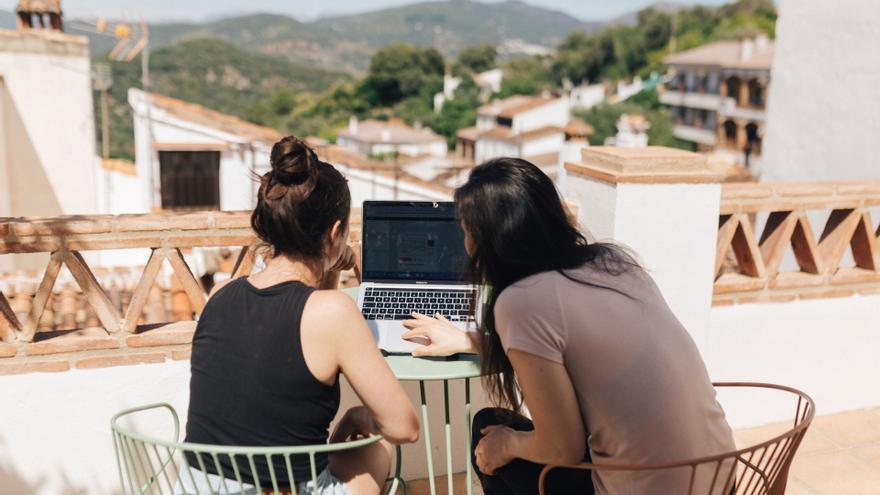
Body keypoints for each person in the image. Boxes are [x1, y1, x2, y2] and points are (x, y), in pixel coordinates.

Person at [402, 157, 736, 495]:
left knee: (489, 429)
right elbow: (576, 345)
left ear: (492, 241)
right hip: (721, 478)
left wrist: (507, 444)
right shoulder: (613, 262)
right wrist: (469, 340)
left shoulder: (520, 301)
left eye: (467, 231)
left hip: (647, 487)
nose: (466, 244)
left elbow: (563, 448)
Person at [181, 136, 419, 495]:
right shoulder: (334, 313)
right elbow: (404, 427)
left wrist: (330, 267)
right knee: (380, 443)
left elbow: (301, 324)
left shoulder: (219, 296)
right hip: (280, 490)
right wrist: (355, 417)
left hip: (196, 488)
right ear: (336, 233)